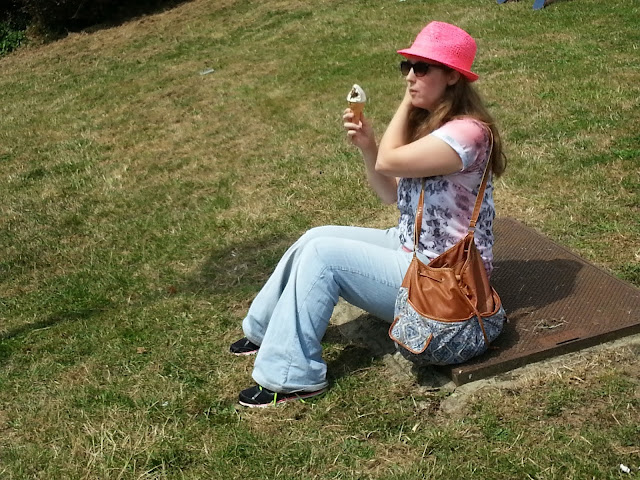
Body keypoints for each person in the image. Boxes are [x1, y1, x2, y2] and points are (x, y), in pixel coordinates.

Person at [229, 21, 506, 407]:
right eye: (407, 66)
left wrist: (406, 105)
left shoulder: (468, 134)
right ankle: (264, 330)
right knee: (315, 236)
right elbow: (390, 194)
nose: (410, 77)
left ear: (453, 77)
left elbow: (392, 162)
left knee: (323, 258)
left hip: (444, 280)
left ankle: (292, 376)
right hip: (412, 253)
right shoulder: (435, 128)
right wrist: (368, 146)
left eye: (422, 68)